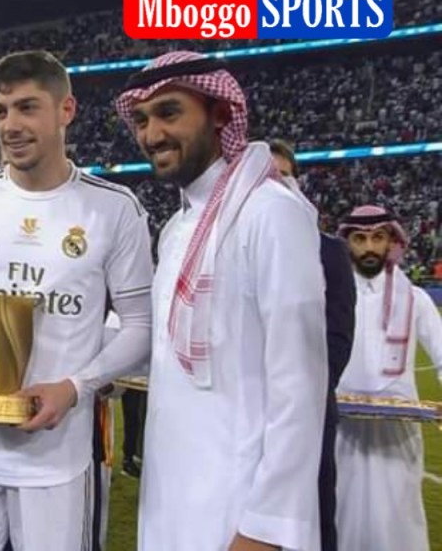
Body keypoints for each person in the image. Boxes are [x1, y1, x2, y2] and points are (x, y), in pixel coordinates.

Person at [0, 50, 153, 550]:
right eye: (0, 111)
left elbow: (140, 327)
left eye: (27, 107)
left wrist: (75, 387)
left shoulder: (114, 210)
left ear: (66, 110)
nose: (10, 125)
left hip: (57, 459)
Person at [115, 51, 327, 551]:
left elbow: (300, 384)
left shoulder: (270, 214)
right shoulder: (176, 229)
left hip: (240, 510)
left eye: (169, 113)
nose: (151, 135)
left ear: (220, 112)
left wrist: (267, 526)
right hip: (172, 498)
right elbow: (166, 350)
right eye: (141, 120)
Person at [334, 205, 442, 551]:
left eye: (378, 238)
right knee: (342, 515)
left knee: (398, 520)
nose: (369, 247)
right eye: (359, 238)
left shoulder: (415, 299)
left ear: (391, 241)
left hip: (399, 435)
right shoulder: (329, 298)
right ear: (346, 243)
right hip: (342, 432)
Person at [270, 139, 356, 551]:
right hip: (252, 415)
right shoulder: (233, 249)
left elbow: (339, 336)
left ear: (298, 183)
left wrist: (303, 394)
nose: (276, 185)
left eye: (284, 176)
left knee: (315, 519)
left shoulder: (330, 251)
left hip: (310, 412)